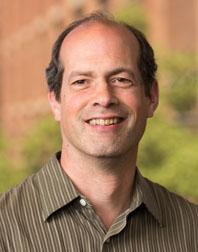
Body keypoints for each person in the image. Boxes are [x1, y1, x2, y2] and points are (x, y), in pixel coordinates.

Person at [0, 12, 197, 252]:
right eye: (81, 82)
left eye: (121, 79)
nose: (104, 98)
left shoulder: (192, 230)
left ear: (152, 96)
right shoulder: (5, 228)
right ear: (55, 102)